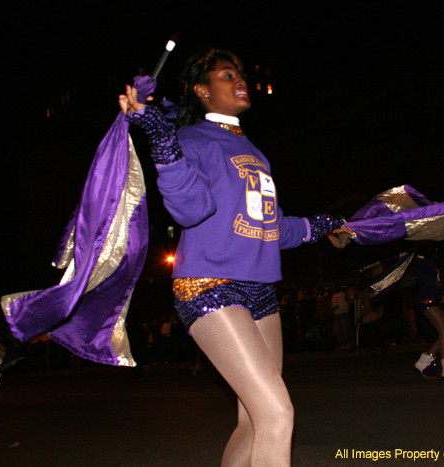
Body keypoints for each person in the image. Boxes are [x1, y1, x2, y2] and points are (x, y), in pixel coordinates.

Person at [119, 48, 352, 467]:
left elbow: (272, 228)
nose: (239, 79)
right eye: (227, 75)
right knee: (278, 413)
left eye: (240, 73)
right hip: (211, 285)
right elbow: (190, 209)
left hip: (260, 290)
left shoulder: (256, 152)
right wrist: (159, 135)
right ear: (201, 90)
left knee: (254, 421)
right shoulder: (189, 139)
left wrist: (324, 224)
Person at [413, 243, 444, 379]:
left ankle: (424, 360)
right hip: (426, 301)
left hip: (434, 300)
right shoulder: (421, 261)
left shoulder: (431, 261)